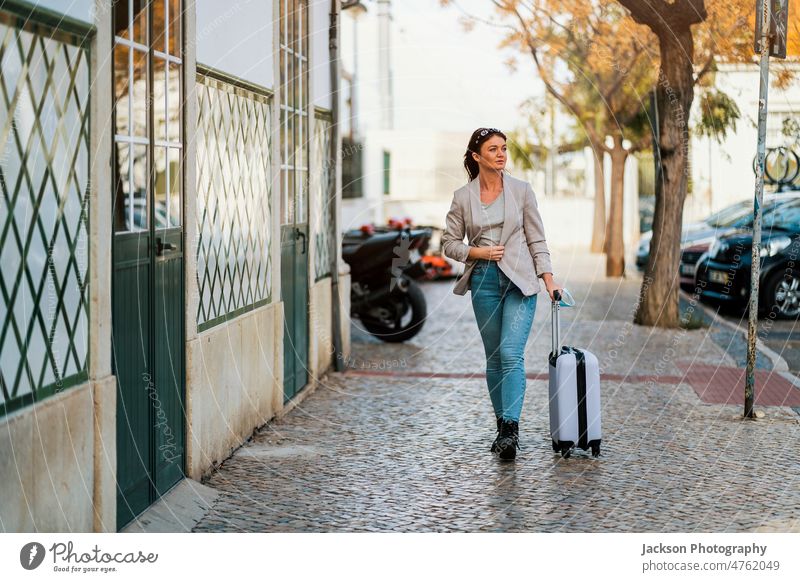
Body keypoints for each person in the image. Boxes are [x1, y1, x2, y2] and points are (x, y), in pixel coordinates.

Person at [441, 127, 562, 461]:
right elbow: (449, 243)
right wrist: (479, 254)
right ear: (476, 156)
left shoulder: (522, 191)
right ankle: (501, 427)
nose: (500, 154)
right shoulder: (463, 197)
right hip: (484, 282)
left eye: (504, 148)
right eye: (492, 149)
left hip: (521, 283)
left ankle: (511, 429)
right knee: (494, 357)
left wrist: (548, 279)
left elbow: (537, 239)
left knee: (510, 353)